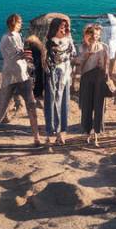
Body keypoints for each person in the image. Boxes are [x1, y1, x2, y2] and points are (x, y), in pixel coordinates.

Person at [0, 13, 42, 148]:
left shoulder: (18, 36)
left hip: (23, 75)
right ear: (14, 23)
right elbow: (12, 56)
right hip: (10, 76)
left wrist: (26, 56)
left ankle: (36, 136)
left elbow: (20, 53)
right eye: (19, 23)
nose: (21, 25)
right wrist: (26, 54)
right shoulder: (6, 38)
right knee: (3, 106)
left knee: (31, 104)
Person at [42, 16, 76, 147]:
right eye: (62, 28)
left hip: (65, 76)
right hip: (53, 76)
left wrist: (69, 38)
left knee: (64, 104)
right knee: (51, 104)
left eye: (65, 27)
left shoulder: (68, 40)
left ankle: (62, 133)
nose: (64, 30)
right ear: (55, 28)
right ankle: (50, 133)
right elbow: (48, 60)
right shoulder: (49, 42)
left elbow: (73, 54)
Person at [76, 23, 112, 146]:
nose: (95, 36)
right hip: (86, 77)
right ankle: (87, 133)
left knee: (99, 106)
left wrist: (107, 77)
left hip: (100, 78)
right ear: (88, 34)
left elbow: (107, 65)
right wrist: (87, 53)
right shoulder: (82, 47)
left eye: (97, 34)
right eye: (93, 34)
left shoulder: (104, 47)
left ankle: (96, 135)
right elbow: (78, 63)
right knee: (86, 106)